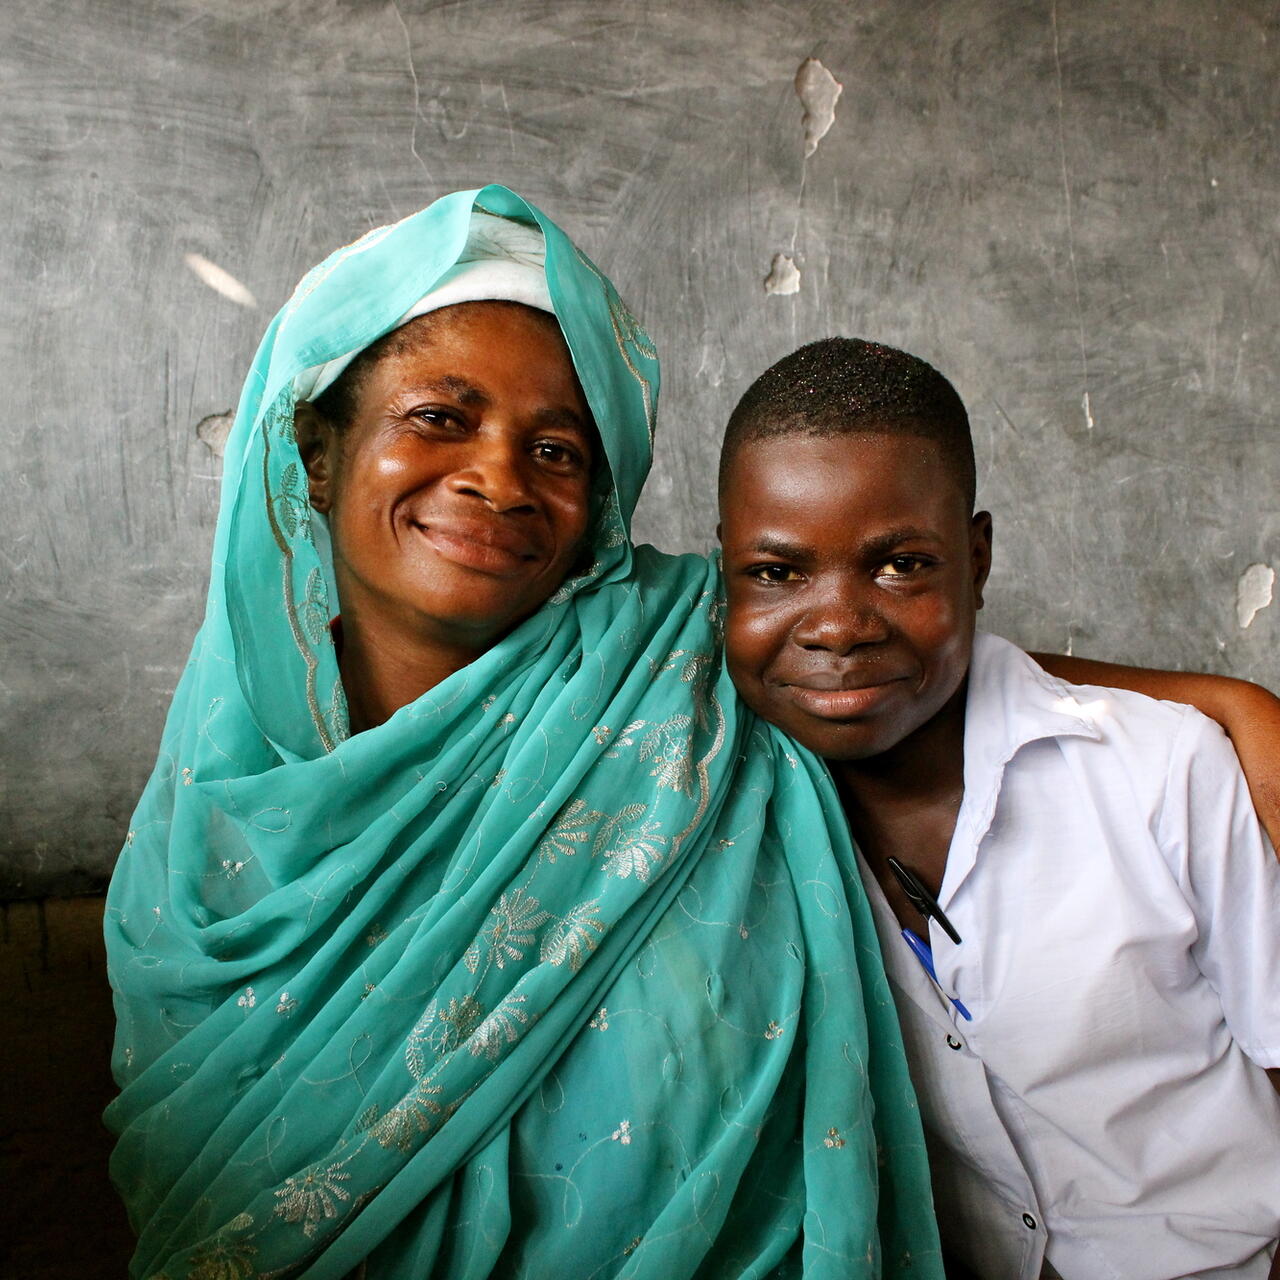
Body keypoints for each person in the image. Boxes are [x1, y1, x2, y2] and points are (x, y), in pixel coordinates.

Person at [104, 191, 945, 1279]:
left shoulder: (692, 655)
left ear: (597, 498)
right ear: (317, 450)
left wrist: (1221, 705)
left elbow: (917, 650)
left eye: (555, 448)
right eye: (438, 417)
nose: (497, 479)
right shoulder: (206, 813)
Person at [717, 337, 1280, 1280]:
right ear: (723, 574)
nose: (838, 626)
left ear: (975, 558)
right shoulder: (714, 800)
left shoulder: (1162, 773)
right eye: (776, 574)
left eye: (900, 565)